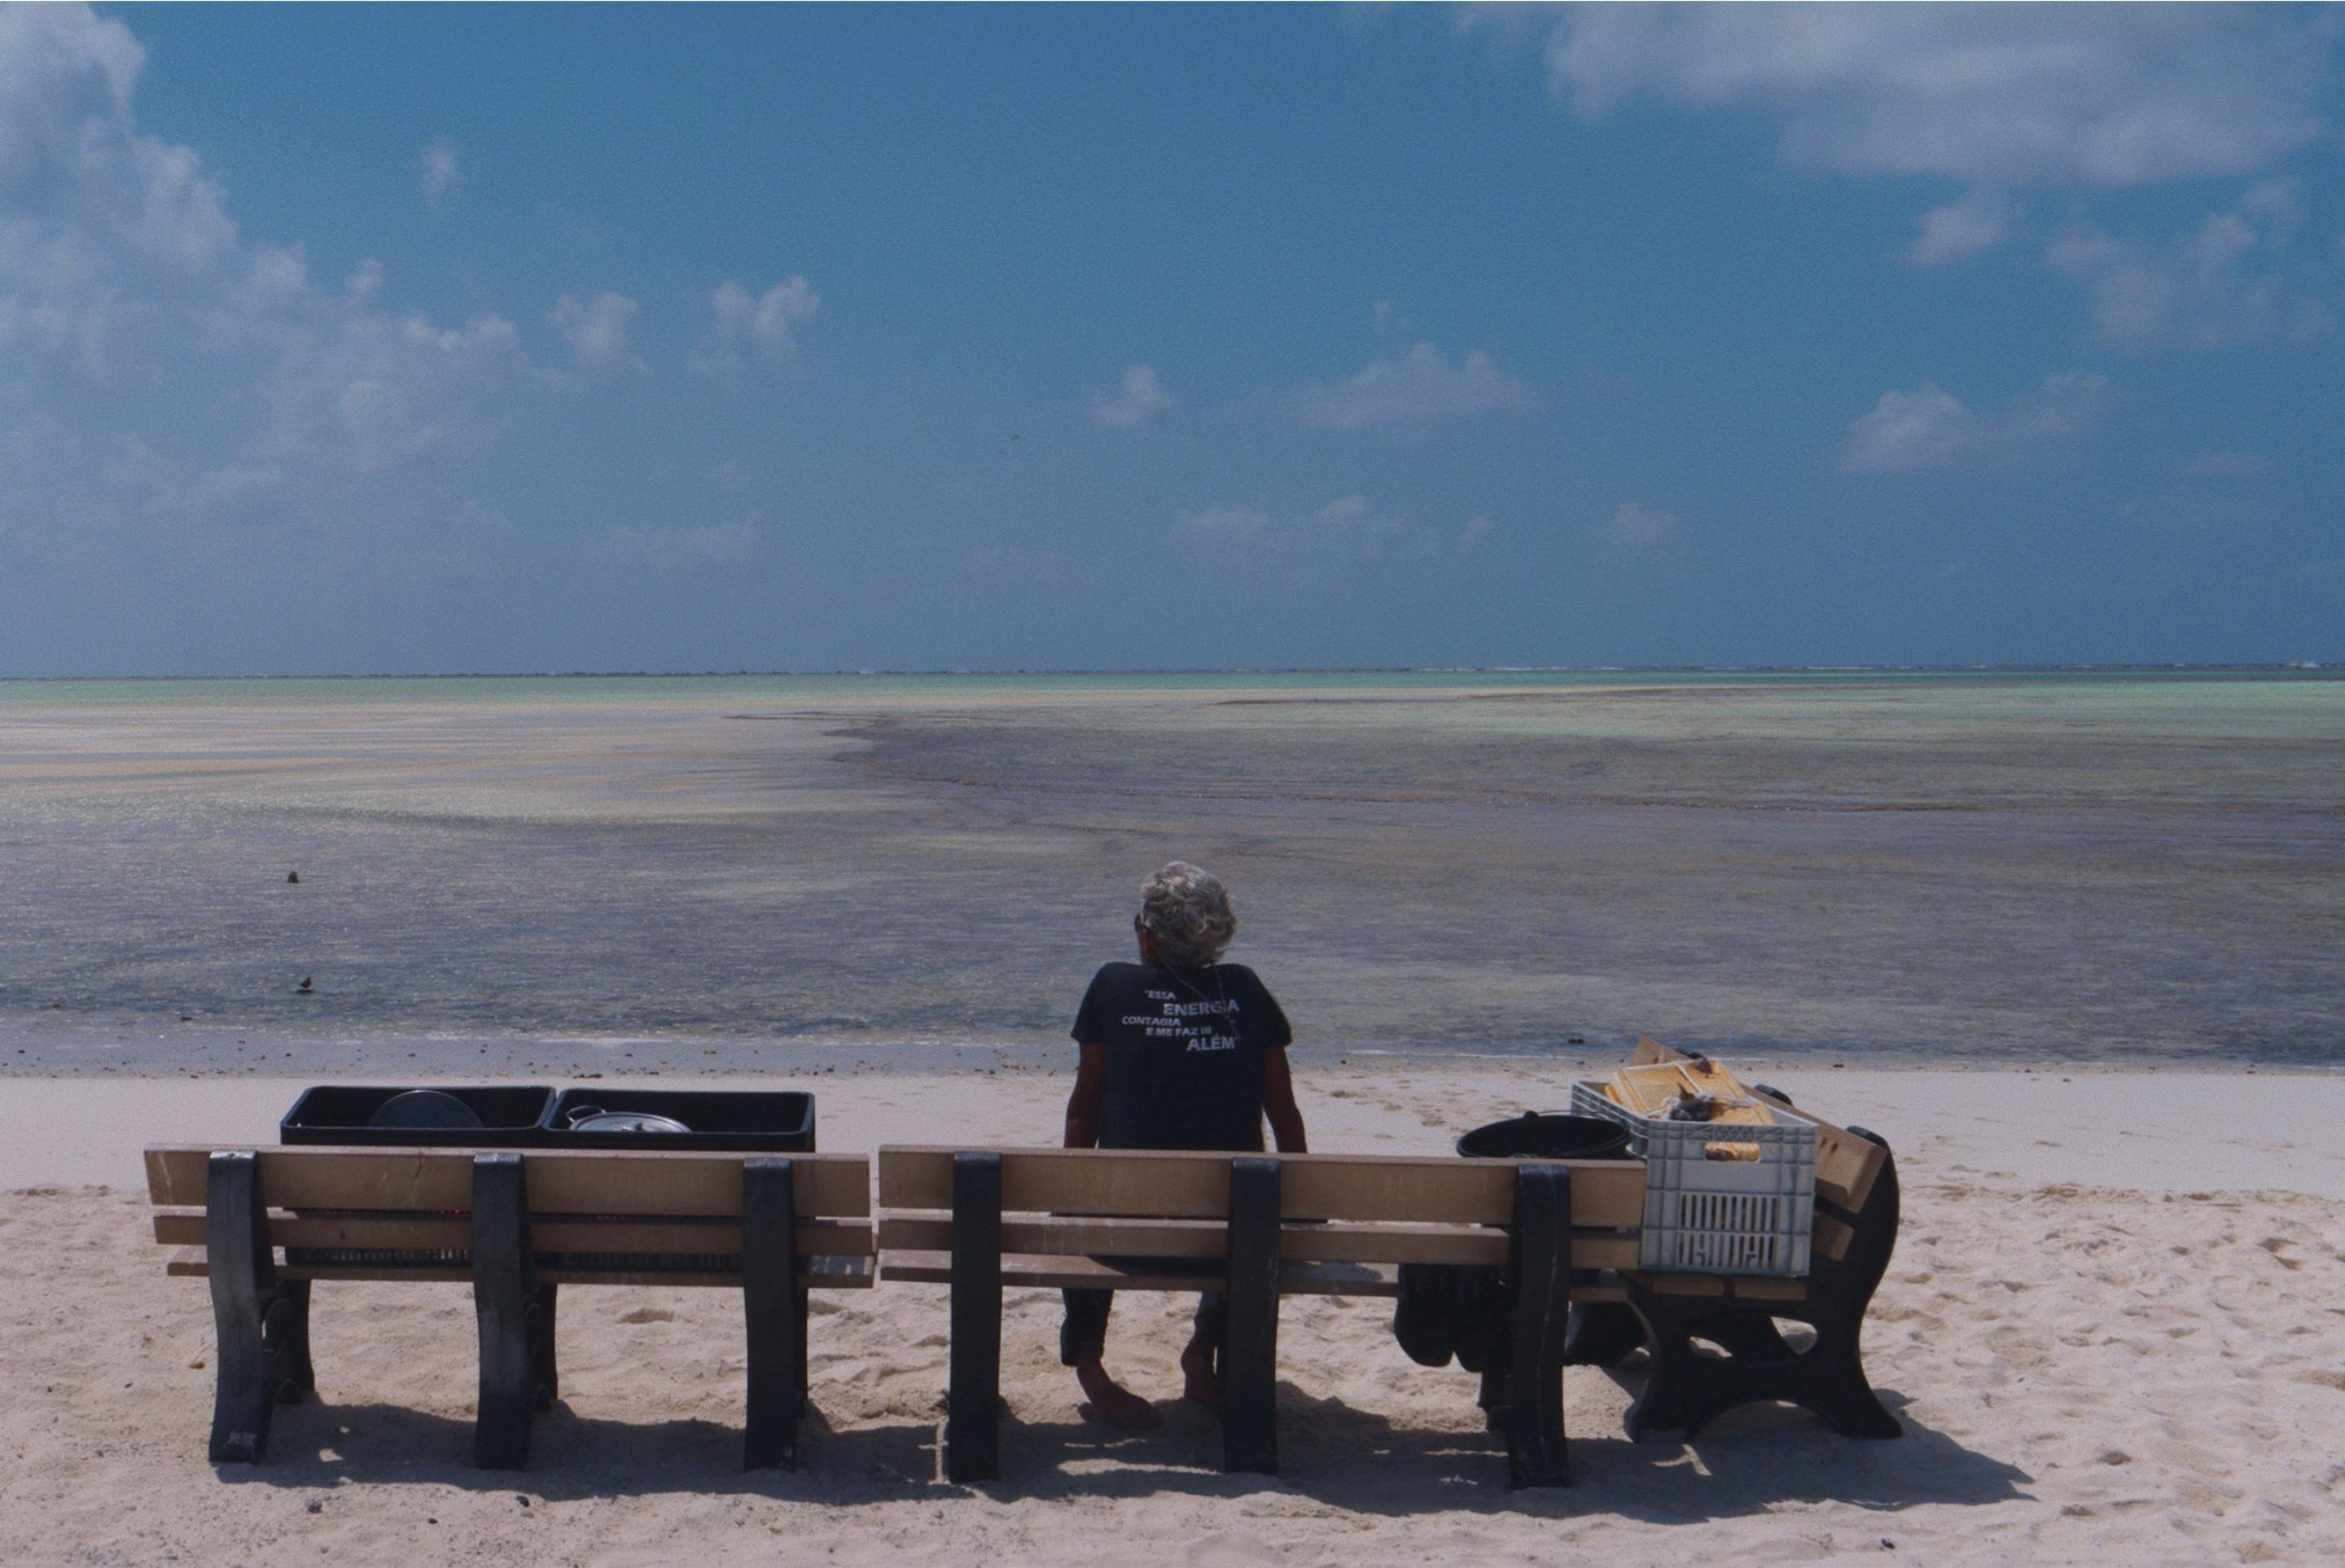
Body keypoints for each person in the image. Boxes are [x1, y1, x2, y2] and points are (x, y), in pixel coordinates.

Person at [1059, 861, 1308, 1429]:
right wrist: (1301, 1196)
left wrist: (1069, 1190)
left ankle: (1090, 1368)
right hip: (1228, 1240)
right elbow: (1283, 1111)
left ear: (1147, 936)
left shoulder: (1111, 985)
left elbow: (1084, 1107)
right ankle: (1202, 1352)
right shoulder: (1244, 989)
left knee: (1079, 1204)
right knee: (1253, 1211)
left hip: (1124, 1236)